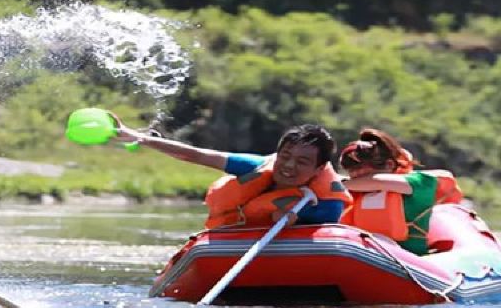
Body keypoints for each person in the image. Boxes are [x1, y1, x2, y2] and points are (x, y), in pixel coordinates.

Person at [114, 119, 351, 228]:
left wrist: (297, 221)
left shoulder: (329, 204)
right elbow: (196, 155)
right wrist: (140, 138)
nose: (288, 166)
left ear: (319, 169)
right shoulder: (255, 167)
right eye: (285, 157)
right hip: (236, 234)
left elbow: (323, 232)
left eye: (302, 162)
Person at [339, 127, 463, 255]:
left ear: (389, 165)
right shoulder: (352, 189)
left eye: (361, 168)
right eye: (351, 170)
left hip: (411, 259)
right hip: (365, 254)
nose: (355, 174)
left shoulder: (421, 183)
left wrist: (339, 184)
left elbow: (379, 181)